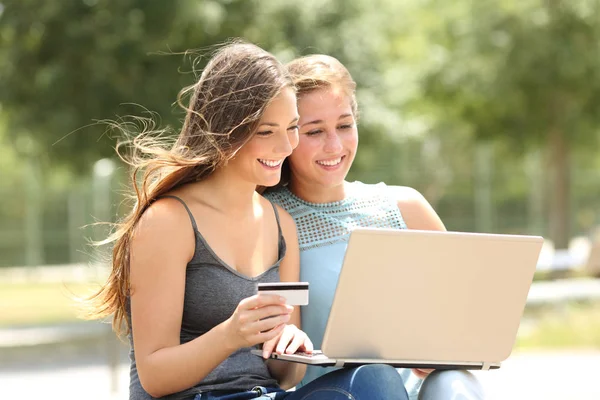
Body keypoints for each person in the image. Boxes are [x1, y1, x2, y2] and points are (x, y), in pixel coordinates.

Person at [86, 41, 409, 400]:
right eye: (266, 132)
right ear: (227, 129)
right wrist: (230, 335)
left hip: (266, 395)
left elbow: (286, 377)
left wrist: (291, 345)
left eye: (293, 128)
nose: (286, 146)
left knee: (374, 380)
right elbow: (154, 376)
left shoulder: (280, 223)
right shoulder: (169, 221)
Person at [264, 54, 487, 400]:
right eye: (314, 131)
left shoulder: (406, 208)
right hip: (342, 393)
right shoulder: (269, 219)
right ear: (288, 135)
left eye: (344, 125)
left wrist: (443, 349)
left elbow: (467, 317)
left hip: (423, 389)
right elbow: (279, 364)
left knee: (454, 385)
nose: (334, 145)